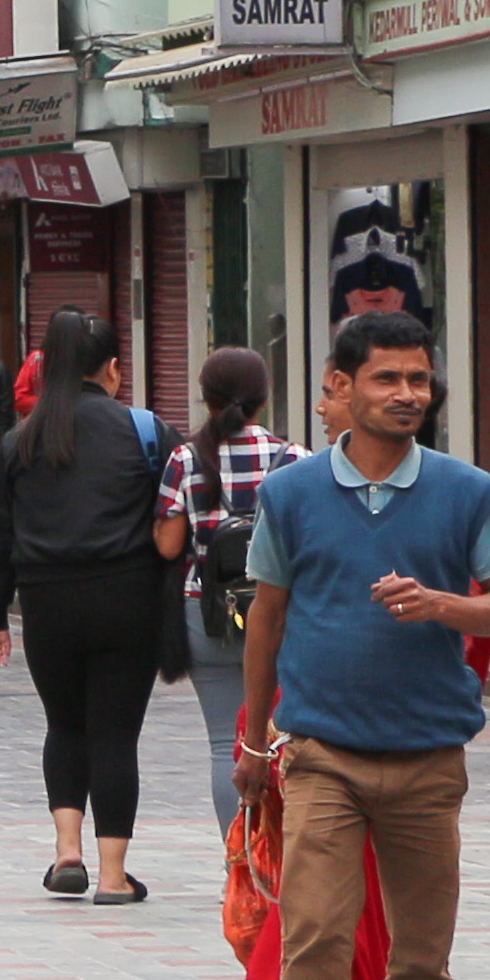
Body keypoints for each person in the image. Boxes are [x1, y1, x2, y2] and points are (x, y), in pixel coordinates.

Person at [235, 311, 490, 980]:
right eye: (386, 378)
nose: (406, 394)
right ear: (341, 385)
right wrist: (252, 741)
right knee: (315, 935)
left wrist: (442, 604)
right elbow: (266, 617)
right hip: (320, 753)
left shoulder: (466, 490)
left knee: (422, 951)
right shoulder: (289, 495)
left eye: (417, 379)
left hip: (427, 755)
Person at [0, 307, 183, 906]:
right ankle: (114, 877)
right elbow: (179, 515)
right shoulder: (147, 432)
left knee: (64, 725)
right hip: (128, 599)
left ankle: (68, 852)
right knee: (115, 735)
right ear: (112, 369)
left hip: (47, 603)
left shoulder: (19, 441)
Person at [177, 348, 295, 834]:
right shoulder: (294, 459)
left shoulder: (186, 457)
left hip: (206, 615)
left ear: (205, 399)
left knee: (223, 742)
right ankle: (281, 852)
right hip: (280, 613)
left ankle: (238, 856)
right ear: (264, 398)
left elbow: (167, 542)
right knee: (281, 739)